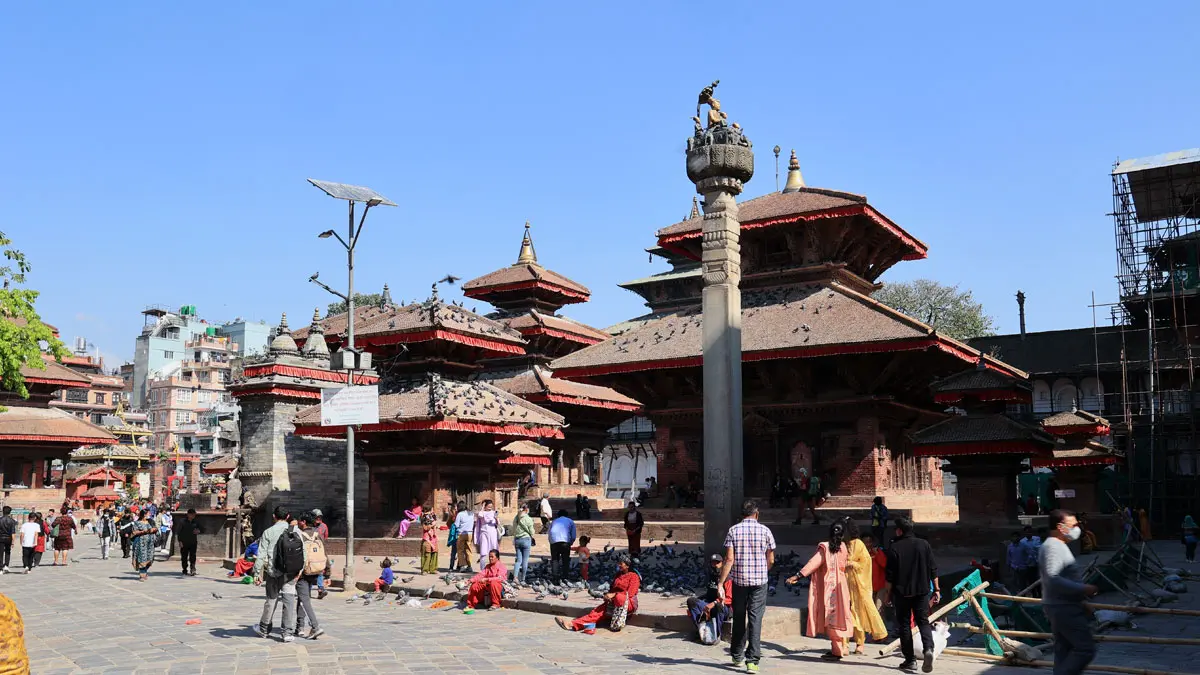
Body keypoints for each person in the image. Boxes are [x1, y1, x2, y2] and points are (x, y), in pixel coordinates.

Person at [717, 500, 776, 673]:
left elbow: (729, 559)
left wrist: (721, 583)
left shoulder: (733, 531)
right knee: (755, 619)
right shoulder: (766, 531)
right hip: (759, 583)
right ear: (756, 514)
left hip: (739, 582)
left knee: (739, 616)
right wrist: (763, 571)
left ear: (742, 515)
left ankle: (737, 655)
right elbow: (771, 559)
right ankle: (753, 661)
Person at [1040, 509, 1100, 675]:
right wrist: (1084, 589)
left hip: (1063, 605)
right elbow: (1053, 578)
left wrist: (1080, 600)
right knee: (1085, 649)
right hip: (1063, 608)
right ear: (1061, 527)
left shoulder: (1058, 546)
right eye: (1073, 525)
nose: (1077, 529)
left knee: (1064, 650)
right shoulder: (1053, 547)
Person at [789, 519, 853, 660]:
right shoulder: (844, 547)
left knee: (832, 618)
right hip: (841, 586)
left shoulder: (825, 547)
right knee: (840, 616)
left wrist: (798, 575)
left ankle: (837, 651)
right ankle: (841, 647)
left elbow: (814, 563)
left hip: (830, 588)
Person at [885, 517, 939, 673]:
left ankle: (910, 660)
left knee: (904, 625)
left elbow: (889, 576)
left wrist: (888, 595)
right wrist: (937, 589)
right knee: (923, 621)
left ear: (899, 531)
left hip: (901, 593)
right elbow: (933, 569)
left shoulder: (894, 547)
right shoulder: (924, 544)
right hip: (922, 591)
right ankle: (928, 649)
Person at [556, 553, 640, 632]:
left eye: (621, 564)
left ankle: (616, 622)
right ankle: (572, 624)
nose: (619, 565)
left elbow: (631, 593)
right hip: (614, 601)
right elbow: (612, 589)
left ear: (627, 565)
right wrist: (607, 595)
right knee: (596, 613)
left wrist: (614, 595)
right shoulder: (618, 575)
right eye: (618, 563)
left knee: (619, 598)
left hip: (628, 602)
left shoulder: (634, 576)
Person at [255, 506, 303, 642]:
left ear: (274, 516)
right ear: (288, 517)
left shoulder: (268, 532)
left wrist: (257, 573)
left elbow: (261, 554)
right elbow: (303, 552)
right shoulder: (296, 531)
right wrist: (300, 570)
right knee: (289, 600)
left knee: (271, 600)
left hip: (273, 572)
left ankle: (264, 629)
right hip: (291, 572)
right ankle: (287, 632)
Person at [841, 518, 887, 654]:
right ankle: (844, 644)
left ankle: (860, 643)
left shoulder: (859, 545)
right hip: (842, 585)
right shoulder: (841, 544)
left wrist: (852, 564)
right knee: (844, 615)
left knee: (858, 615)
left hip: (858, 587)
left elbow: (866, 563)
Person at [688, 553, 733, 645]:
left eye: (717, 562)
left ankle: (717, 634)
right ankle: (700, 631)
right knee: (691, 601)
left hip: (724, 608)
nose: (715, 565)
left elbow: (730, 599)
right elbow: (709, 594)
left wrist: (714, 603)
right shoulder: (711, 576)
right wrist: (699, 600)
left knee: (718, 605)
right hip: (710, 605)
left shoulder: (728, 578)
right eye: (713, 563)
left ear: (722, 563)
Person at [294, 513, 325, 640]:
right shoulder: (318, 534)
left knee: (305, 600)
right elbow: (324, 552)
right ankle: (299, 627)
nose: (298, 523)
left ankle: (315, 627)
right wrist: (327, 572)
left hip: (302, 572)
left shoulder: (300, 535)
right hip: (315, 570)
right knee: (302, 598)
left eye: (299, 521)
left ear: (304, 522)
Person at [463, 549, 508, 614]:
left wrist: (487, 579)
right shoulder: (488, 566)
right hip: (488, 585)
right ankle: (471, 605)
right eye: (489, 557)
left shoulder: (501, 566)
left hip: (499, 587)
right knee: (475, 585)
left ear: (497, 558)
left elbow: (499, 578)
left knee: (494, 583)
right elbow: (480, 575)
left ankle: (496, 604)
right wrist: (470, 581)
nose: (490, 558)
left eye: (492, 557)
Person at [130, 510, 158, 581]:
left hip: (150, 544)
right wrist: (144, 531)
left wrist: (154, 529)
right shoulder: (137, 523)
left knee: (149, 558)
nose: (149, 515)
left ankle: (145, 571)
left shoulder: (150, 521)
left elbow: (156, 528)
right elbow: (134, 532)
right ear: (144, 515)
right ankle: (142, 574)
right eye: (148, 514)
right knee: (142, 558)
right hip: (141, 543)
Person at [511, 503, 535, 584]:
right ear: (527, 509)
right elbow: (532, 532)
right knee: (525, 560)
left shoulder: (516, 518)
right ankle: (523, 579)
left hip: (517, 540)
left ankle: (515, 577)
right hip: (526, 540)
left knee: (518, 560)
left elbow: (513, 529)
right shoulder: (528, 519)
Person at [549, 509, 576, 579]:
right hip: (565, 541)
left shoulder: (554, 521)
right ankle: (565, 576)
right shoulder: (570, 521)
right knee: (565, 559)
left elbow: (549, 533)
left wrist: (551, 542)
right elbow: (573, 536)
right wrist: (570, 543)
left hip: (554, 541)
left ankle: (555, 575)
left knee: (555, 559)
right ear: (567, 515)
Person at [863, 534, 888, 610]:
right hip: (867, 587)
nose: (868, 544)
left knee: (878, 609)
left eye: (869, 542)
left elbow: (884, 564)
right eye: (865, 542)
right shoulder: (861, 554)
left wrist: (876, 553)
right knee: (869, 609)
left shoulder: (878, 552)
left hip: (880, 586)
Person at [474, 499, 500, 570]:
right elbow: (480, 515)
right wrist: (482, 507)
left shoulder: (494, 513)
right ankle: (483, 570)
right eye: (488, 506)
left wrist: (496, 518)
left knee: (494, 551)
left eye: (491, 506)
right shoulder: (482, 513)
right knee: (483, 552)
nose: (490, 508)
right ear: (484, 506)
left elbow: (498, 523)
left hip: (493, 533)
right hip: (484, 534)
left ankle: (494, 569)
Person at [311, 509, 330, 599]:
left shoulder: (324, 526)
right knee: (309, 570)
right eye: (317, 517)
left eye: (320, 517)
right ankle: (307, 591)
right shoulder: (309, 527)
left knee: (320, 570)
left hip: (320, 551)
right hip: (310, 551)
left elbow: (325, 537)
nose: (318, 519)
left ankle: (320, 590)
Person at [452, 501, 475, 572]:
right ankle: (469, 566)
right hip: (470, 533)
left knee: (460, 550)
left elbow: (456, 524)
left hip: (461, 534)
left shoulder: (460, 514)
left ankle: (462, 566)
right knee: (468, 550)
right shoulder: (471, 513)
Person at [0, 506, 16, 573]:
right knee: (7, 552)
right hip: (9, 538)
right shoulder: (12, 521)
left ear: (3, 511)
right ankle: (6, 565)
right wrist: (13, 542)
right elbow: (13, 532)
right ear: (10, 512)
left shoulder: (0, 520)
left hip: (1, 538)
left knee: (0, 553)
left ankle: (0, 568)